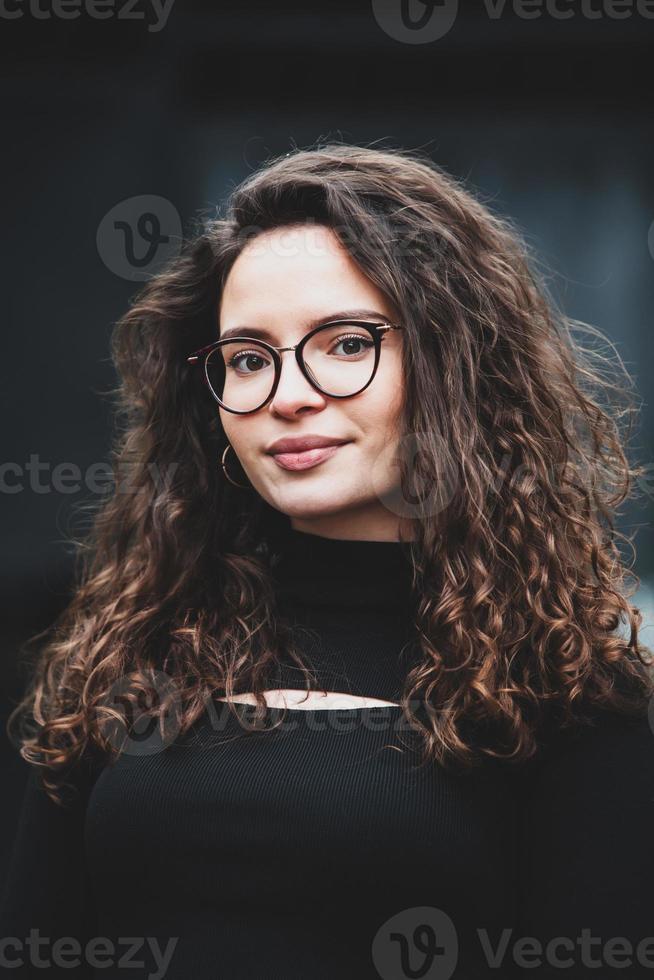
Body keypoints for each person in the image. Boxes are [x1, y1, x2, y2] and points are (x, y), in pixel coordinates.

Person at [2, 142, 653, 979]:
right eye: (247, 359)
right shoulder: (124, 651)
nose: (288, 393)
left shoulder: (567, 686)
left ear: (452, 368)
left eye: (345, 344)